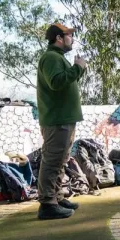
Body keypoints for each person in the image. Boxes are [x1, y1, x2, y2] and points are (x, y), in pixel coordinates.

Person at [36, 23, 87, 220]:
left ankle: (56, 198)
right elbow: (56, 82)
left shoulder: (57, 58)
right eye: (69, 36)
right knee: (52, 160)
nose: (71, 39)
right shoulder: (50, 58)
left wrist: (78, 70)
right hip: (57, 120)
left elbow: (65, 83)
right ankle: (47, 204)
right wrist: (77, 68)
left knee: (60, 160)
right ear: (59, 38)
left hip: (64, 118)